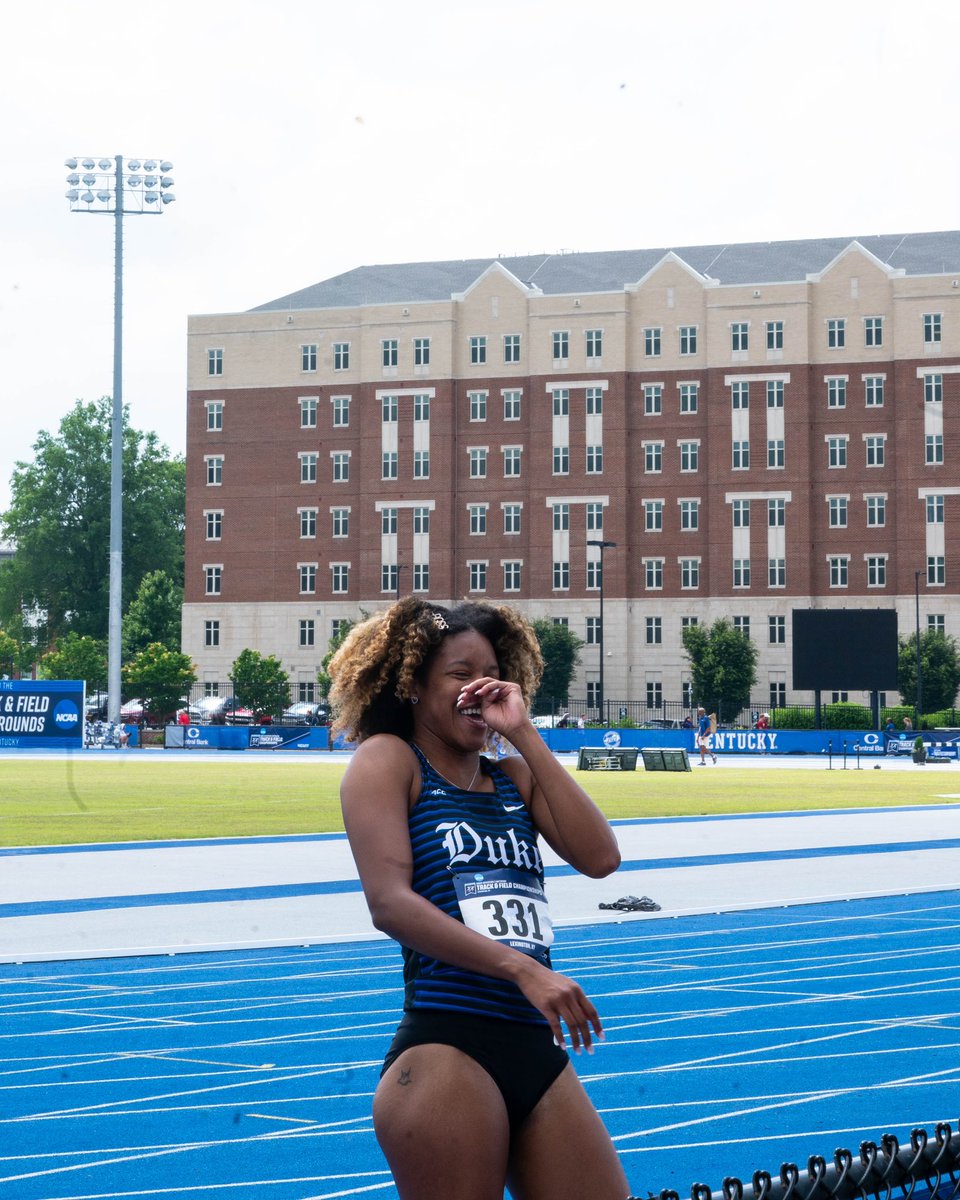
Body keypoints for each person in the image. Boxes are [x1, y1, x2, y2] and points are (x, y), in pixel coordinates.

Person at [329, 597, 635, 1200]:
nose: (479, 687)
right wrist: (523, 970)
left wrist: (521, 731)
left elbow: (601, 859)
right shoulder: (389, 761)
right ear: (414, 684)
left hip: (532, 1048)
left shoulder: (513, 775)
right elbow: (388, 903)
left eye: (491, 673)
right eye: (459, 674)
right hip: (448, 1047)